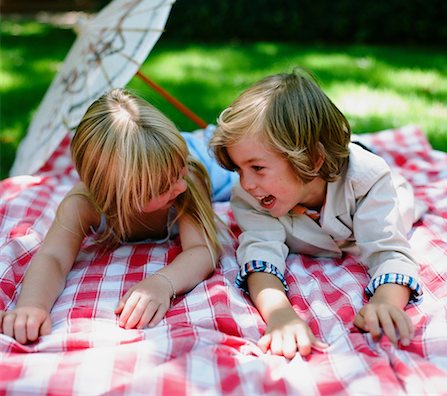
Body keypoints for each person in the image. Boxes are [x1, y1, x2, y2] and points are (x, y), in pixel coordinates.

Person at [210, 69, 422, 360]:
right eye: (239, 169)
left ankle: (352, 145)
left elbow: (389, 250)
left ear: (312, 158)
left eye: (257, 168)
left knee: (396, 200)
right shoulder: (251, 195)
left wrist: (386, 302)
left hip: (382, 189)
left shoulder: (369, 181)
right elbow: (260, 254)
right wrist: (280, 314)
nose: (246, 183)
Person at [0, 88, 224, 344]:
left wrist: (162, 282)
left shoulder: (190, 180)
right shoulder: (84, 204)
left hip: (208, 155)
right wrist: (33, 305)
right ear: (115, 195)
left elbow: (202, 249)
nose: (179, 186)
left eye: (179, 171)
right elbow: (53, 257)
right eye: (162, 187)